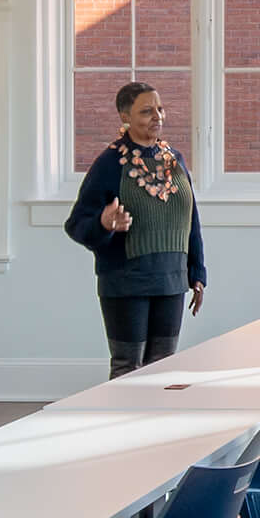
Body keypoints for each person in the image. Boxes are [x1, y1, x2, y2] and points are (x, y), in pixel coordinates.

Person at [66, 79, 203, 376]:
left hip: (171, 281)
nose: (158, 117)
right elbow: (76, 224)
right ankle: (122, 422)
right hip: (126, 282)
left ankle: (157, 423)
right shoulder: (110, 163)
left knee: (164, 366)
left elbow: (190, 219)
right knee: (128, 368)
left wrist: (196, 272)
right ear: (125, 117)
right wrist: (104, 223)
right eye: (146, 111)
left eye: (160, 109)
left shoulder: (174, 160)